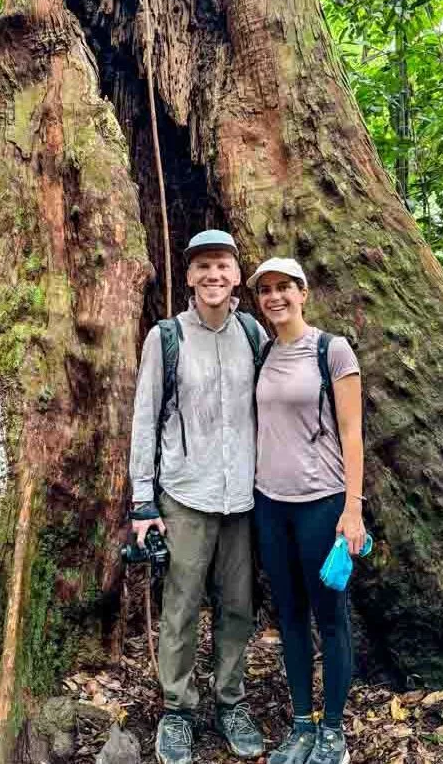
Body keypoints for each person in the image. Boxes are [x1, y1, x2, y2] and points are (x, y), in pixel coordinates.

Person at [128, 230, 267, 764]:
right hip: (186, 494)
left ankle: (230, 700)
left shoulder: (253, 335)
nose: (213, 275)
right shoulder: (166, 338)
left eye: (223, 266)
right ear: (188, 276)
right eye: (203, 266)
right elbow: (145, 421)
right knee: (181, 606)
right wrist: (143, 503)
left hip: (242, 501)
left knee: (237, 607)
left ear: (237, 275)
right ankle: (177, 710)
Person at [247, 257, 367, 764]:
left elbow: (352, 433)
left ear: (303, 292)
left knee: (331, 617)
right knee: (291, 617)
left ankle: (333, 729)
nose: (275, 297)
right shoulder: (263, 352)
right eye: (266, 291)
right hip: (270, 505)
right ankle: (301, 724)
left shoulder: (331, 350)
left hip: (322, 503)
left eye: (284, 288)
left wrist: (353, 508)